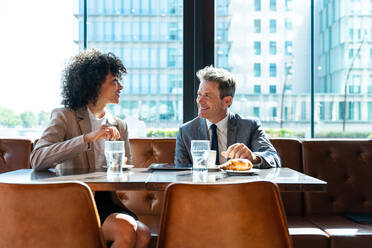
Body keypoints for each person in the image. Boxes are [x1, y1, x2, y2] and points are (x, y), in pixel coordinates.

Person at [31, 49, 150, 248]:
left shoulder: (119, 124)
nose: (120, 86)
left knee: (144, 234)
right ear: (94, 83)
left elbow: (127, 166)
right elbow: (37, 159)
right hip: (75, 203)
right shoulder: (65, 116)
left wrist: (122, 167)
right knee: (126, 229)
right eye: (114, 80)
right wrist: (87, 138)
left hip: (107, 201)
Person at [175, 65, 281, 168]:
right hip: (201, 185)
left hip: (238, 185)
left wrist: (254, 158)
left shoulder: (250, 126)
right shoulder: (186, 131)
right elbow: (180, 173)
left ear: (227, 101)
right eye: (199, 94)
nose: (200, 101)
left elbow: (274, 159)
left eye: (207, 95)